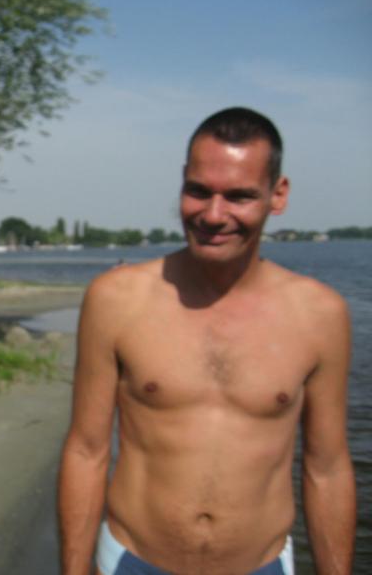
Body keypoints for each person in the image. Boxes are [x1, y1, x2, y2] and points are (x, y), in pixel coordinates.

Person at [58, 107, 356, 574]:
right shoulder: (116, 299)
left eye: (239, 196)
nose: (213, 215)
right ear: (182, 182)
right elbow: (86, 450)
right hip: (133, 560)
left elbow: (328, 468)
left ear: (278, 195)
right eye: (198, 191)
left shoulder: (320, 315)